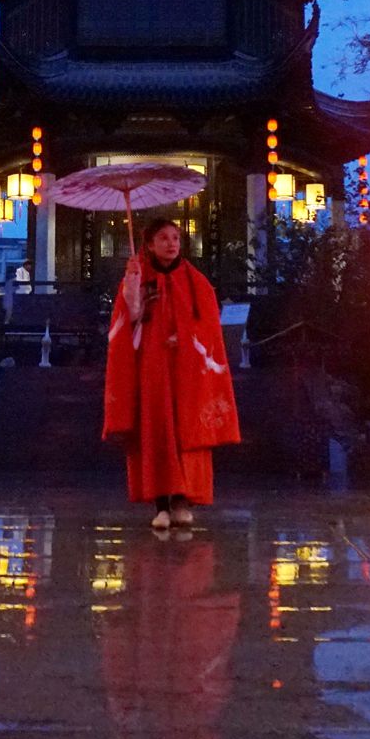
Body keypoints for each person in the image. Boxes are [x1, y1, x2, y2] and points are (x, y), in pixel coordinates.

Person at [102, 218, 241, 529]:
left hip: (187, 370)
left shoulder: (196, 281)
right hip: (152, 368)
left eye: (176, 237)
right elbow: (129, 322)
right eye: (163, 238)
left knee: (186, 430)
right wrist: (131, 293)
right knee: (156, 430)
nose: (171, 243)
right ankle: (160, 503)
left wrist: (186, 337)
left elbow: (208, 327)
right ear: (149, 244)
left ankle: (184, 499)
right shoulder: (138, 276)